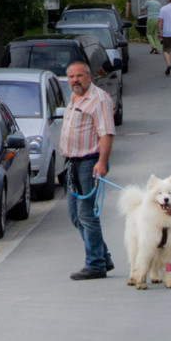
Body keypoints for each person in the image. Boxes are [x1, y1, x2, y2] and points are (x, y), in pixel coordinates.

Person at [60, 61, 116, 280]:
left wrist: (102, 162)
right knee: (75, 216)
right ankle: (103, 257)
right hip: (72, 163)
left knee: (86, 215)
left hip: (89, 162)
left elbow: (106, 133)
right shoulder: (75, 96)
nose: (75, 80)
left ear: (89, 77)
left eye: (79, 76)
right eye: (71, 76)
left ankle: (95, 264)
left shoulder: (99, 99)